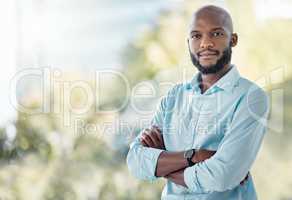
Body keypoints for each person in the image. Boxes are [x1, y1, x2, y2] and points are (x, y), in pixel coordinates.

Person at [127, 5, 269, 200]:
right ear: (188, 43)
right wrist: (193, 155)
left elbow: (222, 175)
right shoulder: (174, 97)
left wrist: (161, 167)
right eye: (196, 36)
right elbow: (136, 162)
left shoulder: (251, 97)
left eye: (216, 33)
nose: (205, 43)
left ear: (233, 40)